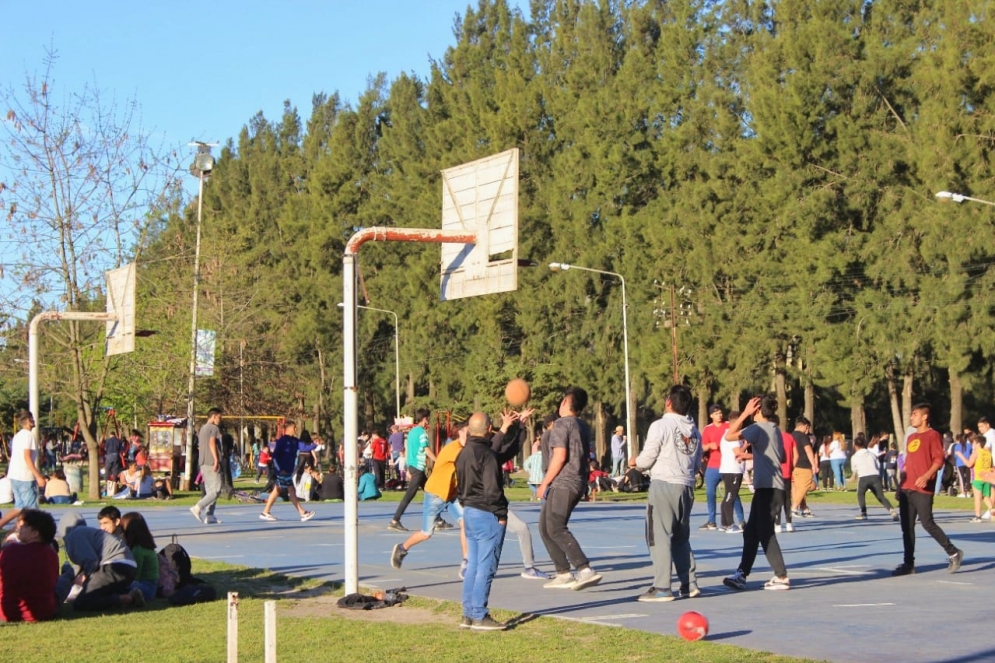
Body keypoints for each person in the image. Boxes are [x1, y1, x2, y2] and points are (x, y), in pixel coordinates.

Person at [631, 385, 702, 602]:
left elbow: (647, 458)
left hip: (664, 484)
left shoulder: (661, 425)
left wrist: (637, 463)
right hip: (687, 486)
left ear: (668, 402)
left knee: (658, 535)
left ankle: (662, 586)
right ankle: (688, 583)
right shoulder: (694, 430)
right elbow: (698, 462)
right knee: (681, 537)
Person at [455, 411, 522, 631]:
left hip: (470, 512)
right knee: (486, 566)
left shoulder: (463, 453)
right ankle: (479, 614)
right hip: (487, 514)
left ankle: (468, 612)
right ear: (488, 429)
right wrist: (501, 515)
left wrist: (517, 428)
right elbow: (493, 490)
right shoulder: (487, 455)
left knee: (473, 564)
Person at [723, 395, 790, 591]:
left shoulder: (758, 428)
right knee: (751, 532)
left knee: (765, 532)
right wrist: (751, 455)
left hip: (768, 488)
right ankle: (741, 574)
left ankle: (781, 575)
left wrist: (744, 413)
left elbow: (729, 436)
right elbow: (782, 456)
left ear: (758, 410)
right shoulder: (776, 429)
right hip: (771, 487)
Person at [537, 386, 601, 591]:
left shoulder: (562, 424)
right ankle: (563, 572)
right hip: (575, 481)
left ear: (565, 402)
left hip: (565, 482)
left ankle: (584, 569)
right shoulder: (581, 424)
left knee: (556, 527)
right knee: (545, 527)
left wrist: (544, 482)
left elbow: (560, 455)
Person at [892, 403, 963, 576]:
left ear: (924, 417)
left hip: (923, 489)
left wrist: (926, 476)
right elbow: (908, 464)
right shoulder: (911, 437)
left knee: (927, 523)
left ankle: (954, 552)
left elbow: (938, 461)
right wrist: (901, 485)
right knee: (906, 527)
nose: (911, 417)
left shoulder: (933, 436)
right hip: (907, 487)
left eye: (914, 414)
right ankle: (909, 564)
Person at [391, 422, 468, 570]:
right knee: (426, 533)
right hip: (435, 494)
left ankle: (466, 561)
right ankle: (402, 548)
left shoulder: (463, 448)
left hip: (450, 494)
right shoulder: (454, 448)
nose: (469, 436)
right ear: (459, 433)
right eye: (466, 432)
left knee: (466, 522)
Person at [55, 513, 145, 611]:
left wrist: (84, 577)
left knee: (81, 603)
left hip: (114, 565)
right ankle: (120, 598)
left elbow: (91, 561)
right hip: (126, 566)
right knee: (92, 596)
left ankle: (128, 598)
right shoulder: (86, 532)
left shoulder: (75, 534)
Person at [0, 509, 59, 622]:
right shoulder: (50, 554)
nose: (19, 528)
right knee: (64, 581)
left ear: (35, 533)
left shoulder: (9, 551)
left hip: (7, 611)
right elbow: (53, 582)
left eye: (25, 526)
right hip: (44, 612)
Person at [388, 409, 436, 532]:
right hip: (418, 468)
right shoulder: (421, 433)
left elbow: (409, 450)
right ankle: (395, 520)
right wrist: (438, 460)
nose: (428, 421)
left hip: (414, 467)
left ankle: (438, 519)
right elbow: (426, 450)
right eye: (428, 419)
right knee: (410, 494)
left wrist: (408, 467)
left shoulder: (412, 432)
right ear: (425, 418)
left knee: (432, 491)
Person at [259, 420, 316, 522]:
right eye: (294, 427)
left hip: (288, 470)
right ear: (289, 428)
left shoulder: (295, 440)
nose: (296, 429)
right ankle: (302, 513)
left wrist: (315, 445)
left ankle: (265, 512)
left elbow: (304, 447)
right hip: (283, 471)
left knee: (277, 490)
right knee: (291, 490)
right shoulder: (282, 441)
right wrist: (279, 469)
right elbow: (275, 456)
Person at [700, 404, 738, 531]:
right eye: (716, 413)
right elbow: (702, 447)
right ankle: (712, 520)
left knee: (732, 493)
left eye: (720, 413)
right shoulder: (707, 429)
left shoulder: (728, 425)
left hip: (728, 465)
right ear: (711, 416)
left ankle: (740, 519)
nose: (719, 415)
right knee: (710, 493)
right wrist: (710, 445)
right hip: (713, 465)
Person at [189, 408, 224, 525]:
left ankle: (210, 515)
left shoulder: (203, 428)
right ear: (213, 416)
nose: (220, 419)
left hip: (202, 462)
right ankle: (198, 507)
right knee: (217, 489)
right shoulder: (214, 428)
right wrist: (216, 459)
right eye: (219, 417)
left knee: (210, 489)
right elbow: (212, 443)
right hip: (210, 461)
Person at [851, 436, 898, 521]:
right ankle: (892, 511)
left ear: (855, 446)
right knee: (880, 496)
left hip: (863, 477)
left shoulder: (854, 457)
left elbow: (854, 469)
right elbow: (878, 465)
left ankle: (863, 513)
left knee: (860, 494)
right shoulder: (871, 454)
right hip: (875, 476)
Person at [9, 410, 46, 509]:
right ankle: (31, 524)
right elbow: (27, 457)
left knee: (20, 508)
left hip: (14, 475)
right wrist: (38, 476)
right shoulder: (28, 436)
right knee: (31, 509)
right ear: (29, 420)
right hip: (25, 477)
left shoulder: (18, 435)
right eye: (32, 418)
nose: (34, 420)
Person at [120, 512, 159, 603]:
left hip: (146, 587)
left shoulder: (138, 550)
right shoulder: (146, 546)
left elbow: (135, 575)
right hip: (151, 586)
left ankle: (133, 597)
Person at [955, 434, 994, 522]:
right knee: (985, 496)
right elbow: (992, 466)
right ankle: (991, 508)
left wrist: (961, 455)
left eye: (974, 443)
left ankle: (977, 516)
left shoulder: (976, 452)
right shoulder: (988, 453)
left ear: (978, 444)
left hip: (978, 478)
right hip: (987, 478)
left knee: (977, 498)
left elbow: (969, 464)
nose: (972, 445)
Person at [719, 420, 748, 534]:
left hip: (727, 469)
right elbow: (739, 454)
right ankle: (730, 524)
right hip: (733, 470)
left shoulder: (726, 434)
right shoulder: (734, 438)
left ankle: (724, 523)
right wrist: (746, 445)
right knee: (730, 497)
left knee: (728, 496)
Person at [790, 416, 817, 521]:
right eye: (807, 428)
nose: (808, 431)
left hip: (795, 466)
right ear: (804, 426)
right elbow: (809, 451)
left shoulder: (790, 436)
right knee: (804, 487)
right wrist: (814, 464)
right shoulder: (803, 436)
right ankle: (794, 507)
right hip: (804, 465)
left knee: (798, 487)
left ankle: (804, 508)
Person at [774, 419, 795, 534]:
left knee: (777, 499)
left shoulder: (772, 438)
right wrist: (792, 467)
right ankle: (789, 523)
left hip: (776, 472)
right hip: (787, 472)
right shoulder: (790, 437)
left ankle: (777, 524)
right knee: (787, 498)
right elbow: (795, 455)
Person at [951, 434, 972, 498]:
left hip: (960, 463)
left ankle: (963, 492)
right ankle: (968, 492)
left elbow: (955, 455)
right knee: (968, 478)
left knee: (961, 478)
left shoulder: (957, 446)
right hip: (968, 462)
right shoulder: (969, 445)